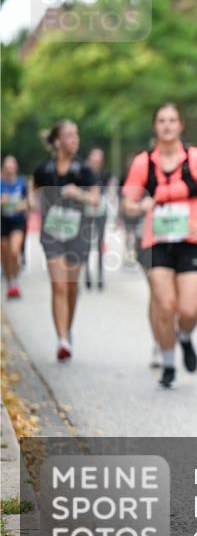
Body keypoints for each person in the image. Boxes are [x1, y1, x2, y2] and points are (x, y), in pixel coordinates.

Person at [122, 104, 197, 388]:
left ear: (180, 125)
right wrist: (140, 205)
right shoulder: (143, 162)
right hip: (157, 242)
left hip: (191, 240)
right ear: (155, 126)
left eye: (172, 120)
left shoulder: (196, 158)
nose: (167, 125)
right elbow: (127, 202)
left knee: (188, 310)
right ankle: (168, 363)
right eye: (161, 120)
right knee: (165, 306)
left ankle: (185, 337)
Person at [32, 120, 99, 361]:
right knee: (58, 285)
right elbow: (33, 191)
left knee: (71, 286)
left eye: (76, 134)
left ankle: (67, 331)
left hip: (77, 232)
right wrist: (32, 202)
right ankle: (61, 340)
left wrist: (78, 193)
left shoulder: (84, 170)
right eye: (69, 135)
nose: (74, 139)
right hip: (52, 233)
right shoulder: (44, 169)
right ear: (57, 141)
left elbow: (95, 200)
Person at [82, 147, 112, 290]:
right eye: (94, 157)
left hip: (101, 211)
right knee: (87, 243)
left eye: (99, 157)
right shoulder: (84, 174)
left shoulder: (105, 174)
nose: (96, 160)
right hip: (87, 211)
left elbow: (109, 192)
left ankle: (100, 275)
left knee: (100, 243)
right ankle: (87, 274)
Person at [1, 155, 31, 299]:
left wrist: (23, 205)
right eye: (7, 166)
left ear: (16, 167)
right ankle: (10, 283)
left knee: (14, 251)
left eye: (12, 166)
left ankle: (15, 280)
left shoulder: (22, 182)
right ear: (3, 168)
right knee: (5, 255)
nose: (9, 169)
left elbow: (30, 202)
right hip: (3, 221)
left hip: (17, 221)